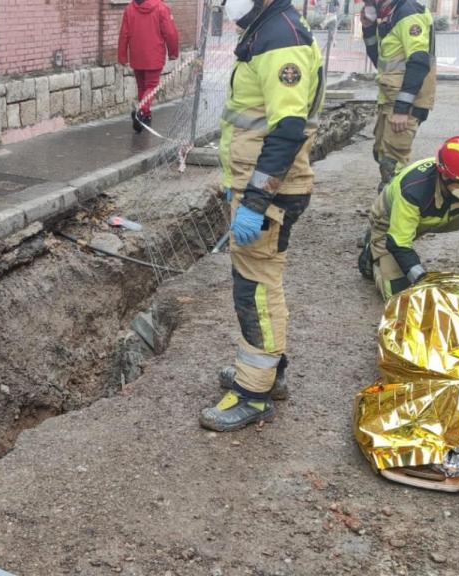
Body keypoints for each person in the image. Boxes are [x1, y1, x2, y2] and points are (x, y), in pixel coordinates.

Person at [199, 0, 324, 432]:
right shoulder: (266, 29)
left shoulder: (280, 39)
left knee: (255, 288)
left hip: (269, 194)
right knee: (260, 282)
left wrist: (254, 201)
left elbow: (287, 129)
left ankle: (254, 394)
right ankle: (272, 372)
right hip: (260, 188)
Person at [357, 135, 459, 301]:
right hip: (393, 223)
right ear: (447, 178)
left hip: (446, 212)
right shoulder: (413, 191)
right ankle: (372, 254)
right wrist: (423, 282)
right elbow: (399, 242)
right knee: (401, 297)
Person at [362, 0, 436, 191]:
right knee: (382, 154)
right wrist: (369, 29)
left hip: (404, 103)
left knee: (393, 164)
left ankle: (394, 214)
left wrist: (402, 109)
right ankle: (391, 209)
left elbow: (419, 61)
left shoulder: (408, 13)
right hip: (390, 99)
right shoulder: (390, 14)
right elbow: (380, 60)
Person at [117, 0, 179, 133]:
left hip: (137, 55)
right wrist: (173, 52)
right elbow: (170, 32)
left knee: (142, 87)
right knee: (151, 86)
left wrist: (122, 56)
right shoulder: (161, 8)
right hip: (154, 55)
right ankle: (141, 111)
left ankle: (145, 115)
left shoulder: (129, 9)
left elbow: (124, 34)